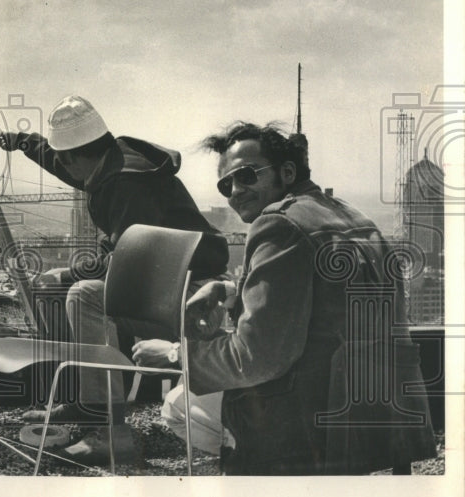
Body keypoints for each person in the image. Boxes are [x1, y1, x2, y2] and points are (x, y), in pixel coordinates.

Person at [134, 121, 437, 474]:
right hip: (379, 414)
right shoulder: (355, 216)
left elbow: (257, 358)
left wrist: (175, 354)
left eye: (246, 175)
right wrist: (232, 292)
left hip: (312, 424)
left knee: (178, 403)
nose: (234, 191)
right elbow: (327, 299)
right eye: (225, 184)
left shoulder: (278, 225)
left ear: (287, 171)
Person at [0, 95, 228, 465]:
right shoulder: (109, 159)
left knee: (83, 293)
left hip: (193, 290)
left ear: (80, 155)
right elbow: (63, 164)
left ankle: (110, 431)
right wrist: (24, 142)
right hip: (167, 279)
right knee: (57, 289)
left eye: (67, 160)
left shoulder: (125, 183)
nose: (69, 172)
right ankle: (87, 404)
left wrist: (71, 272)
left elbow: (131, 261)